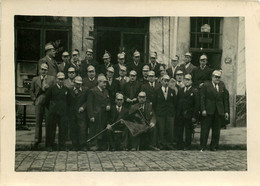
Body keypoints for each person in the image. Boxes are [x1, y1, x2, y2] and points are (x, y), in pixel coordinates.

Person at [200, 70, 229, 152]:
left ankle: (214, 146)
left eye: (219, 77)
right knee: (205, 129)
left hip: (218, 111)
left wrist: (226, 111)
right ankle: (203, 146)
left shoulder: (222, 85)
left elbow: (225, 99)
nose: (217, 79)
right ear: (212, 77)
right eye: (216, 77)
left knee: (216, 130)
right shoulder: (206, 85)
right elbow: (202, 98)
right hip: (208, 110)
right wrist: (203, 109)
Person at [30, 63, 56, 148]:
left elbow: (55, 90)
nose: (43, 71)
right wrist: (34, 99)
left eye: (45, 69)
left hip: (48, 102)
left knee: (49, 122)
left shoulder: (51, 79)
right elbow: (31, 91)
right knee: (38, 121)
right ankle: (37, 139)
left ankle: (49, 141)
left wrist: (49, 88)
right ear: (39, 70)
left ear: (48, 70)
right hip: (39, 101)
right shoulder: (35, 79)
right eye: (42, 69)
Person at [45, 72, 69, 151]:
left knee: (63, 129)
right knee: (51, 129)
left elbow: (68, 101)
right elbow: (46, 101)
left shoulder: (66, 89)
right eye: (59, 79)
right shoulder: (51, 89)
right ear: (56, 79)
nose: (60, 81)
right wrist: (51, 108)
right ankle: (49, 145)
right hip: (53, 112)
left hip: (63, 113)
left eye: (62, 79)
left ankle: (62, 145)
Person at [87, 75, 111, 151]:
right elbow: (89, 105)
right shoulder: (93, 91)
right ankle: (93, 144)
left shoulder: (106, 91)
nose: (105, 84)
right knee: (94, 130)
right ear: (99, 82)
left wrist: (108, 105)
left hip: (104, 115)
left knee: (102, 130)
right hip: (96, 114)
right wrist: (91, 116)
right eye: (103, 82)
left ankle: (101, 145)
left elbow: (108, 100)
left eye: (105, 83)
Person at [176, 74, 199, 150]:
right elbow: (178, 102)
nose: (187, 81)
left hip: (189, 114)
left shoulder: (194, 91)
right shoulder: (181, 90)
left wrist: (194, 116)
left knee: (188, 131)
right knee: (179, 130)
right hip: (181, 114)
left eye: (188, 80)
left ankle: (187, 145)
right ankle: (179, 145)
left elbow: (196, 105)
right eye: (185, 80)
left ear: (191, 81)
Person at [153, 74, 176, 150]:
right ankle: (161, 144)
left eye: (168, 81)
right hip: (160, 113)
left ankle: (169, 144)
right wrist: (157, 112)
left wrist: (173, 112)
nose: (166, 83)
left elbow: (175, 103)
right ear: (161, 81)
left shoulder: (172, 91)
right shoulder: (157, 91)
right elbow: (154, 103)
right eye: (165, 81)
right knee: (161, 129)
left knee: (170, 129)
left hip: (170, 113)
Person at [67, 76, 88, 151]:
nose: (78, 86)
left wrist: (83, 107)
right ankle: (75, 145)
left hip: (81, 113)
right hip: (72, 113)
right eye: (77, 84)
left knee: (82, 128)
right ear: (74, 83)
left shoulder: (85, 90)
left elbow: (87, 101)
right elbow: (68, 101)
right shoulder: (70, 90)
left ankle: (83, 145)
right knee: (73, 128)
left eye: (80, 84)